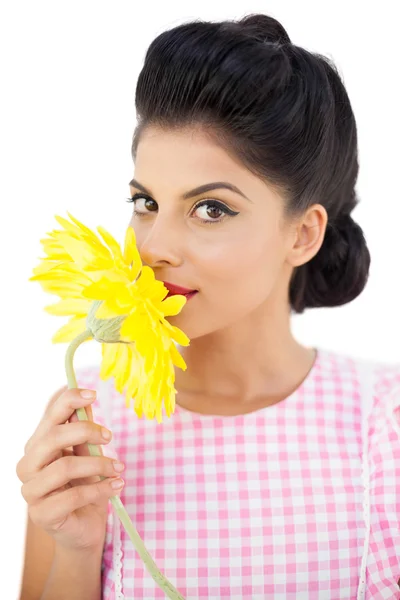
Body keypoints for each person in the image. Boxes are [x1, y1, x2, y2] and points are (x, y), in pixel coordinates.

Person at [16, 13, 400, 600]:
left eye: (211, 209)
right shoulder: (90, 423)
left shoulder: (384, 423)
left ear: (302, 234)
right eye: (145, 202)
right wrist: (76, 549)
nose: (153, 247)